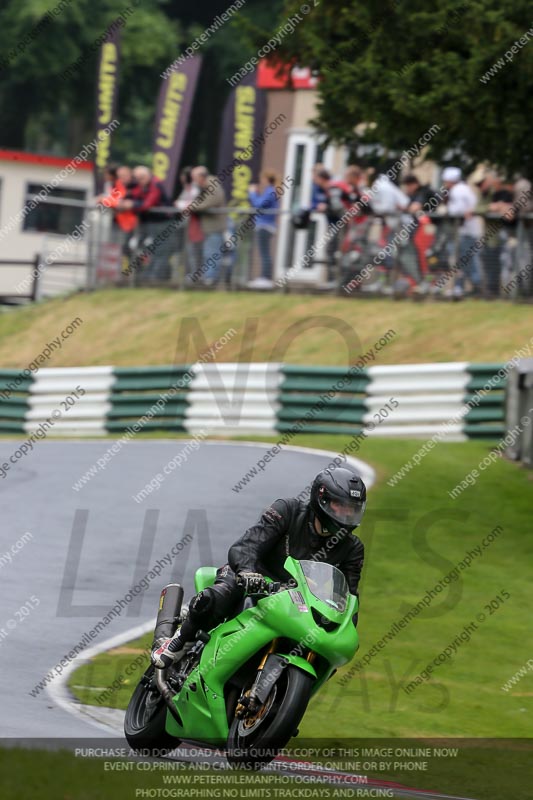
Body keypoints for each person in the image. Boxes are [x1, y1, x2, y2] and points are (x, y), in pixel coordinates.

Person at [152, 466, 367, 669]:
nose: (347, 514)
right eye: (342, 506)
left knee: (326, 651)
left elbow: (348, 597)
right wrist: (247, 572)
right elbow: (247, 545)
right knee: (219, 595)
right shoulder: (288, 510)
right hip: (254, 579)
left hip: (296, 601)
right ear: (322, 500)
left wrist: (346, 628)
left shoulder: (352, 548)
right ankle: (179, 641)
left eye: (353, 509)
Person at [119, 166, 174, 281]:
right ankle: (143, 276)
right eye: (137, 178)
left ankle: (156, 279)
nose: (140, 181)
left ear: (149, 175)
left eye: (142, 178)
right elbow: (133, 196)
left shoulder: (155, 185)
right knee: (135, 248)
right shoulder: (139, 186)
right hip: (148, 225)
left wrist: (132, 204)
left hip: (162, 223)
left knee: (160, 252)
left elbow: (147, 204)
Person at [441, 166, 482, 297]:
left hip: (465, 232)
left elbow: (457, 210)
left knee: (464, 261)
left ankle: (467, 286)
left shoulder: (457, 190)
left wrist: (445, 211)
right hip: (468, 231)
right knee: (466, 261)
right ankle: (468, 287)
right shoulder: (465, 188)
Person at [476, 171, 515, 297]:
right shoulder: (487, 195)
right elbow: (477, 208)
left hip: (502, 236)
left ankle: (504, 293)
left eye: (484, 182)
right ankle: (492, 291)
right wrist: (490, 207)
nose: (482, 186)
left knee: (504, 265)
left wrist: (500, 207)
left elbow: (509, 212)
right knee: (489, 264)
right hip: (489, 238)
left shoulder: (504, 194)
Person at [189, 166, 226, 286]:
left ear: (201, 176)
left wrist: (191, 206)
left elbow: (211, 202)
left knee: (212, 253)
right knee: (206, 252)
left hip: (214, 226)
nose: (194, 180)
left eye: (194, 178)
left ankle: (210, 279)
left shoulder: (212, 184)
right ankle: (206, 277)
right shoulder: (203, 186)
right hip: (207, 227)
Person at [247, 169, 280, 288]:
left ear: (266, 179)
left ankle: (266, 278)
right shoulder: (270, 191)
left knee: (264, 252)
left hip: (265, 226)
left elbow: (258, 204)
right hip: (266, 226)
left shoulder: (270, 191)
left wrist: (252, 193)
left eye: (262, 179)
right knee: (264, 252)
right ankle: (264, 277)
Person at [174, 166, 202, 282]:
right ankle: (188, 275)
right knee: (186, 252)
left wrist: (180, 205)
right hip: (185, 225)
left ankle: (195, 276)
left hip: (194, 225)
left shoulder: (195, 189)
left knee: (193, 252)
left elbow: (191, 205)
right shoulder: (186, 189)